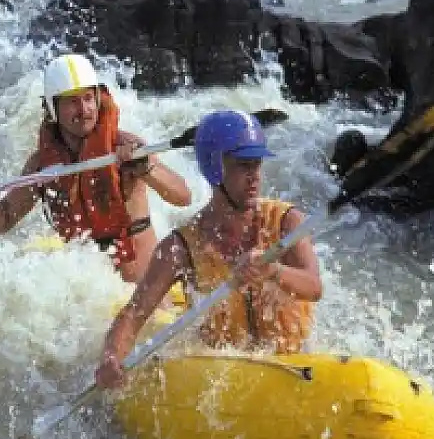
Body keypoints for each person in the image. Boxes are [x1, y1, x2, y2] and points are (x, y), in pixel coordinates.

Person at [94, 109, 323, 390]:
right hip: (224, 375)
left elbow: (314, 287)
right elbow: (134, 314)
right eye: (242, 165)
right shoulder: (180, 247)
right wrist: (111, 358)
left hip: (294, 363)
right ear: (215, 168)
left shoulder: (288, 221)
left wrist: (273, 270)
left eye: (257, 164)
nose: (254, 176)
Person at [0, 53, 192, 283]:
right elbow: (3, 221)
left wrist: (145, 168)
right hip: (89, 289)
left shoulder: (127, 148)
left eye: (89, 98)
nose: (84, 109)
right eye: (72, 101)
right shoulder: (41, 165)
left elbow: (183, 196)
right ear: (52, 109)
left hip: (142, 286)